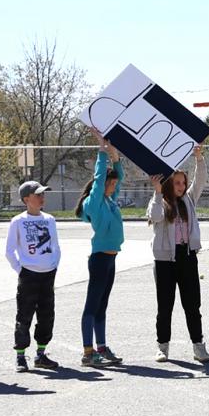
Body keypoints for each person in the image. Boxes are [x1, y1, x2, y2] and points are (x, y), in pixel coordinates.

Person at [148, 145, 209, 363]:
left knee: (193, 305)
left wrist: (199, 158)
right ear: (168, 184)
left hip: (187, 257)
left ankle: (198, 346)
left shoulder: (189, 200)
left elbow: (200, 180)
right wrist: (157, 192)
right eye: (177, 182)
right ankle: (162, 347)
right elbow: (155, 217)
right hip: (165, 261)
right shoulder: (159, 201)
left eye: (183, 183)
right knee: (165, 306)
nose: (182, 186)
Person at [76, 137, 125, 367]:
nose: (114, 188)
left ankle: (102, 347)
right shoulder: (94, 202)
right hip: (99, 260)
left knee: (102, 305)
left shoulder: (109, 200)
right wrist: (102, 152)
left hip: (111, 259)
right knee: (92, 305)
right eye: (110, 184)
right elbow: (98, 180)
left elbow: (120, 178)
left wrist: (115, 157)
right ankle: (88, 352)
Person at [4, 180, 61, 371]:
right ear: (26, 199)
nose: (42, 198)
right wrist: (21, 270)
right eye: (38, 195)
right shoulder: (18, 221)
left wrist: (54, 265)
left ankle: (41, 354)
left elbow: (55, 246)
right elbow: (9, 251)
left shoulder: (49, 219)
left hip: (48, 274)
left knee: (47, 315)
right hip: (29, 275)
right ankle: (20, 356)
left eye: (43, 194)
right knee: (25, 315)